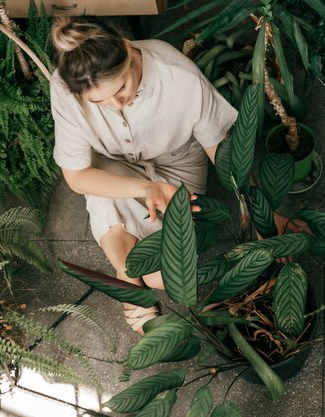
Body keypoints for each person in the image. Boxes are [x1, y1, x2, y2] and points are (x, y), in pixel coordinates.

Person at [49, 16, 238, 334]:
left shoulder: (177, 75)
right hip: (114, 167)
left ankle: (134, 282)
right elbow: (78, 176)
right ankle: (126, 277)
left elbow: (219, 147)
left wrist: (261, 210)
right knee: (106, 193)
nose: (115, 104)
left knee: (162, 277)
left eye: (121, 87)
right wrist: (145, 187)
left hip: (179, 166)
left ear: (126, 48)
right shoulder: (66, 88)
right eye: (99, 101)